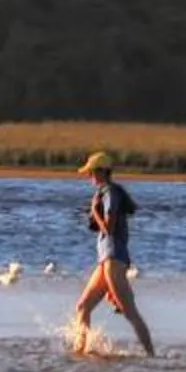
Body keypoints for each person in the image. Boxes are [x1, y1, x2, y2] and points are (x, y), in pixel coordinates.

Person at [67, 150, 155, 357]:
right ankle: (80, 351)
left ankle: (152, 356)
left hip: (113, 259)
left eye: (90, 172)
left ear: (100, 172)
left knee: (130, 312)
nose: (88, 177)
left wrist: (95, 212)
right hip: (107, 259)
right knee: (82, 307)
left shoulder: (109, 192)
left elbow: (109, 226)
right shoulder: (106, 192)